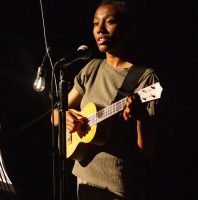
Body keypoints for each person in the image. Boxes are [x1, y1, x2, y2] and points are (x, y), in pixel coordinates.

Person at [52, 0, 161, 199]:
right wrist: (65, 115)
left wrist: (140, 118)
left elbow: (147, 151)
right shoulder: (91, 68)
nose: (100, 30)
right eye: (95, 24)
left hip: (117, 187)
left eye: (109, 22)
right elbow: (55, 116)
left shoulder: (145, 78)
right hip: (83, 180)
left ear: (127, 29)